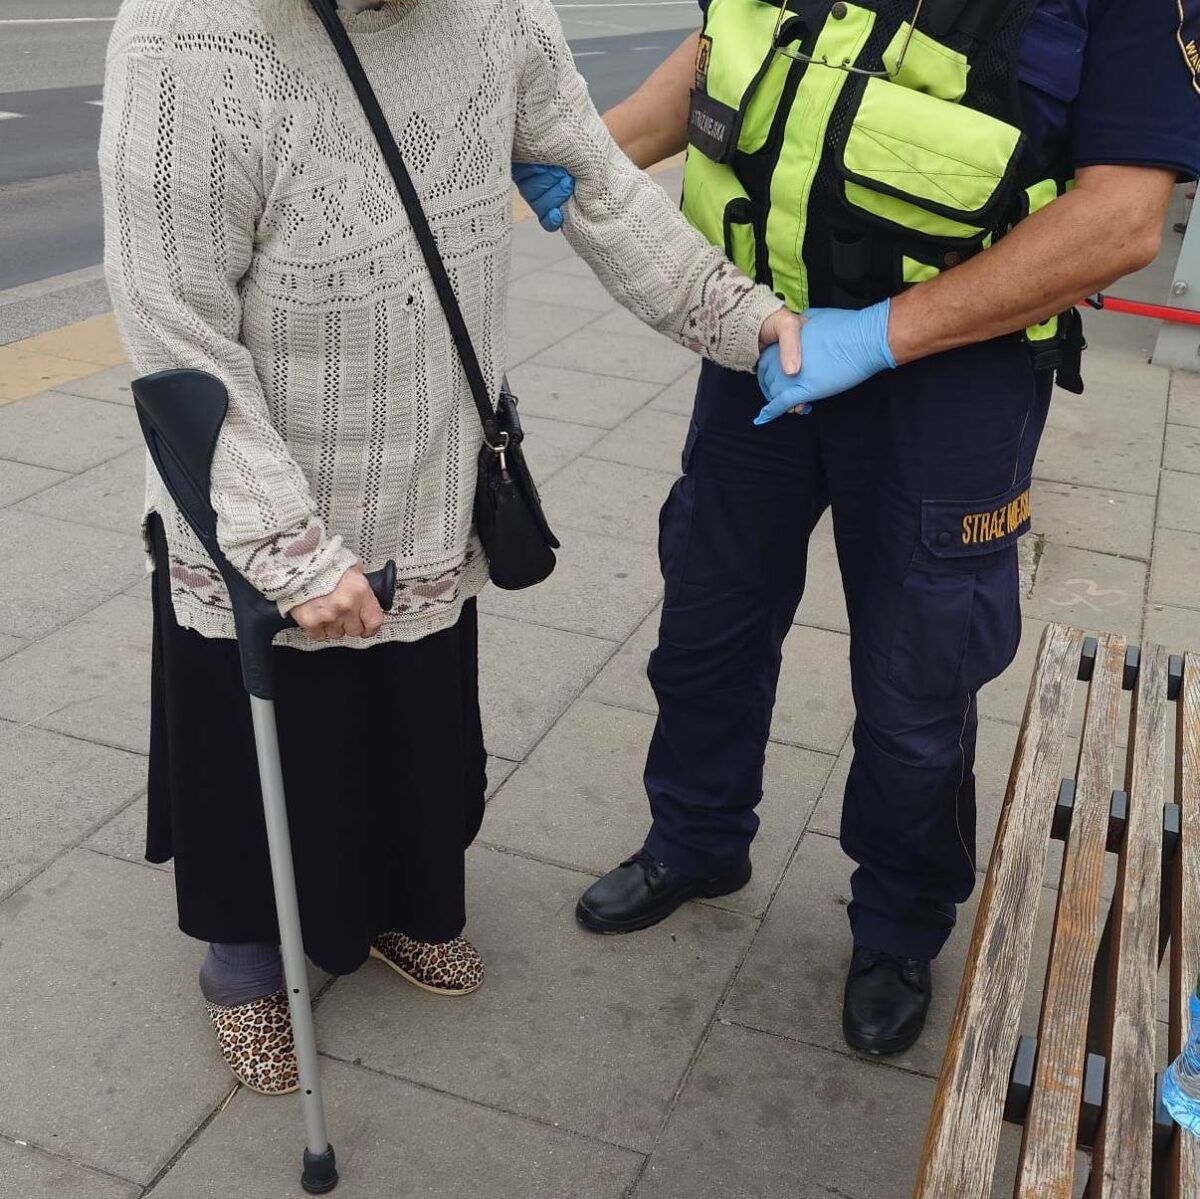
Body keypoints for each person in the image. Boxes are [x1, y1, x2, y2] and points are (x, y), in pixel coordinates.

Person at [99, 0, 799, 1094]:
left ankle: (399, 903)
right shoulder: (187, 38)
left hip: (427, 460)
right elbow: (170, 317)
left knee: (414, 717)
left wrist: (741, 314)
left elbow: (604, 185)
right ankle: (243, 966)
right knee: (261, 738)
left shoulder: (499, 15)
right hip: (259, 478)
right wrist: (284, 542)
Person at [518, 0, 1200, 1055]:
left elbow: (1122, 218)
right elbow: (721, 52)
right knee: (707, 618)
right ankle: (695, 839)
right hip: (769, 337)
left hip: (953, 376)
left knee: (917, 679)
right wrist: (596, 154)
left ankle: (896, 921)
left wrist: (885, 333)